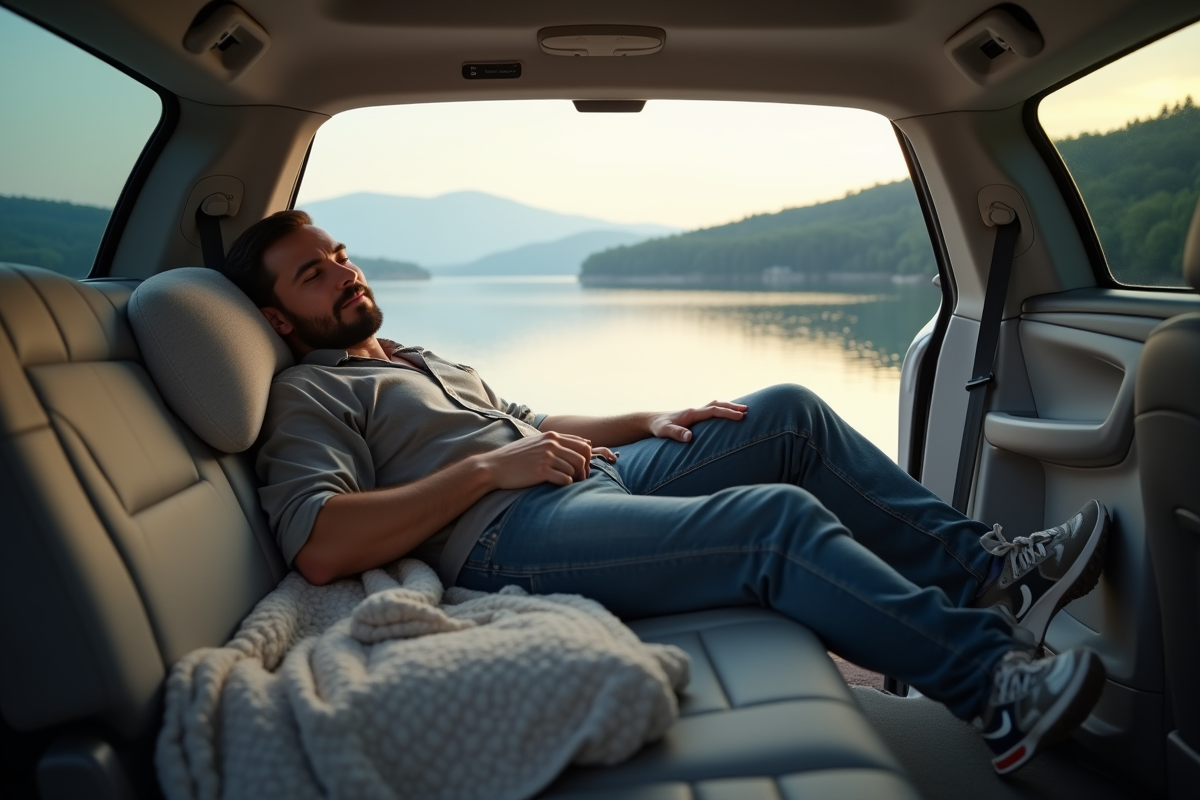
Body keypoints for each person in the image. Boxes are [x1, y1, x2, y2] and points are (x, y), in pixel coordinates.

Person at [220, 210, 1110, 775]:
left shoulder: (414, 357)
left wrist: (645, 417)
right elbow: (322, 541)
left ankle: (986, 570)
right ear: (277, 318)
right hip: (506, 535)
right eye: (313, 274)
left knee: (784, 414)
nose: (344, 273)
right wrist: (488, 471)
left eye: (337, 254)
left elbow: (527, 422)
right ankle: (991, 691)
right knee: (773, 523)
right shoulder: (309, 393)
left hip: (578, 474)